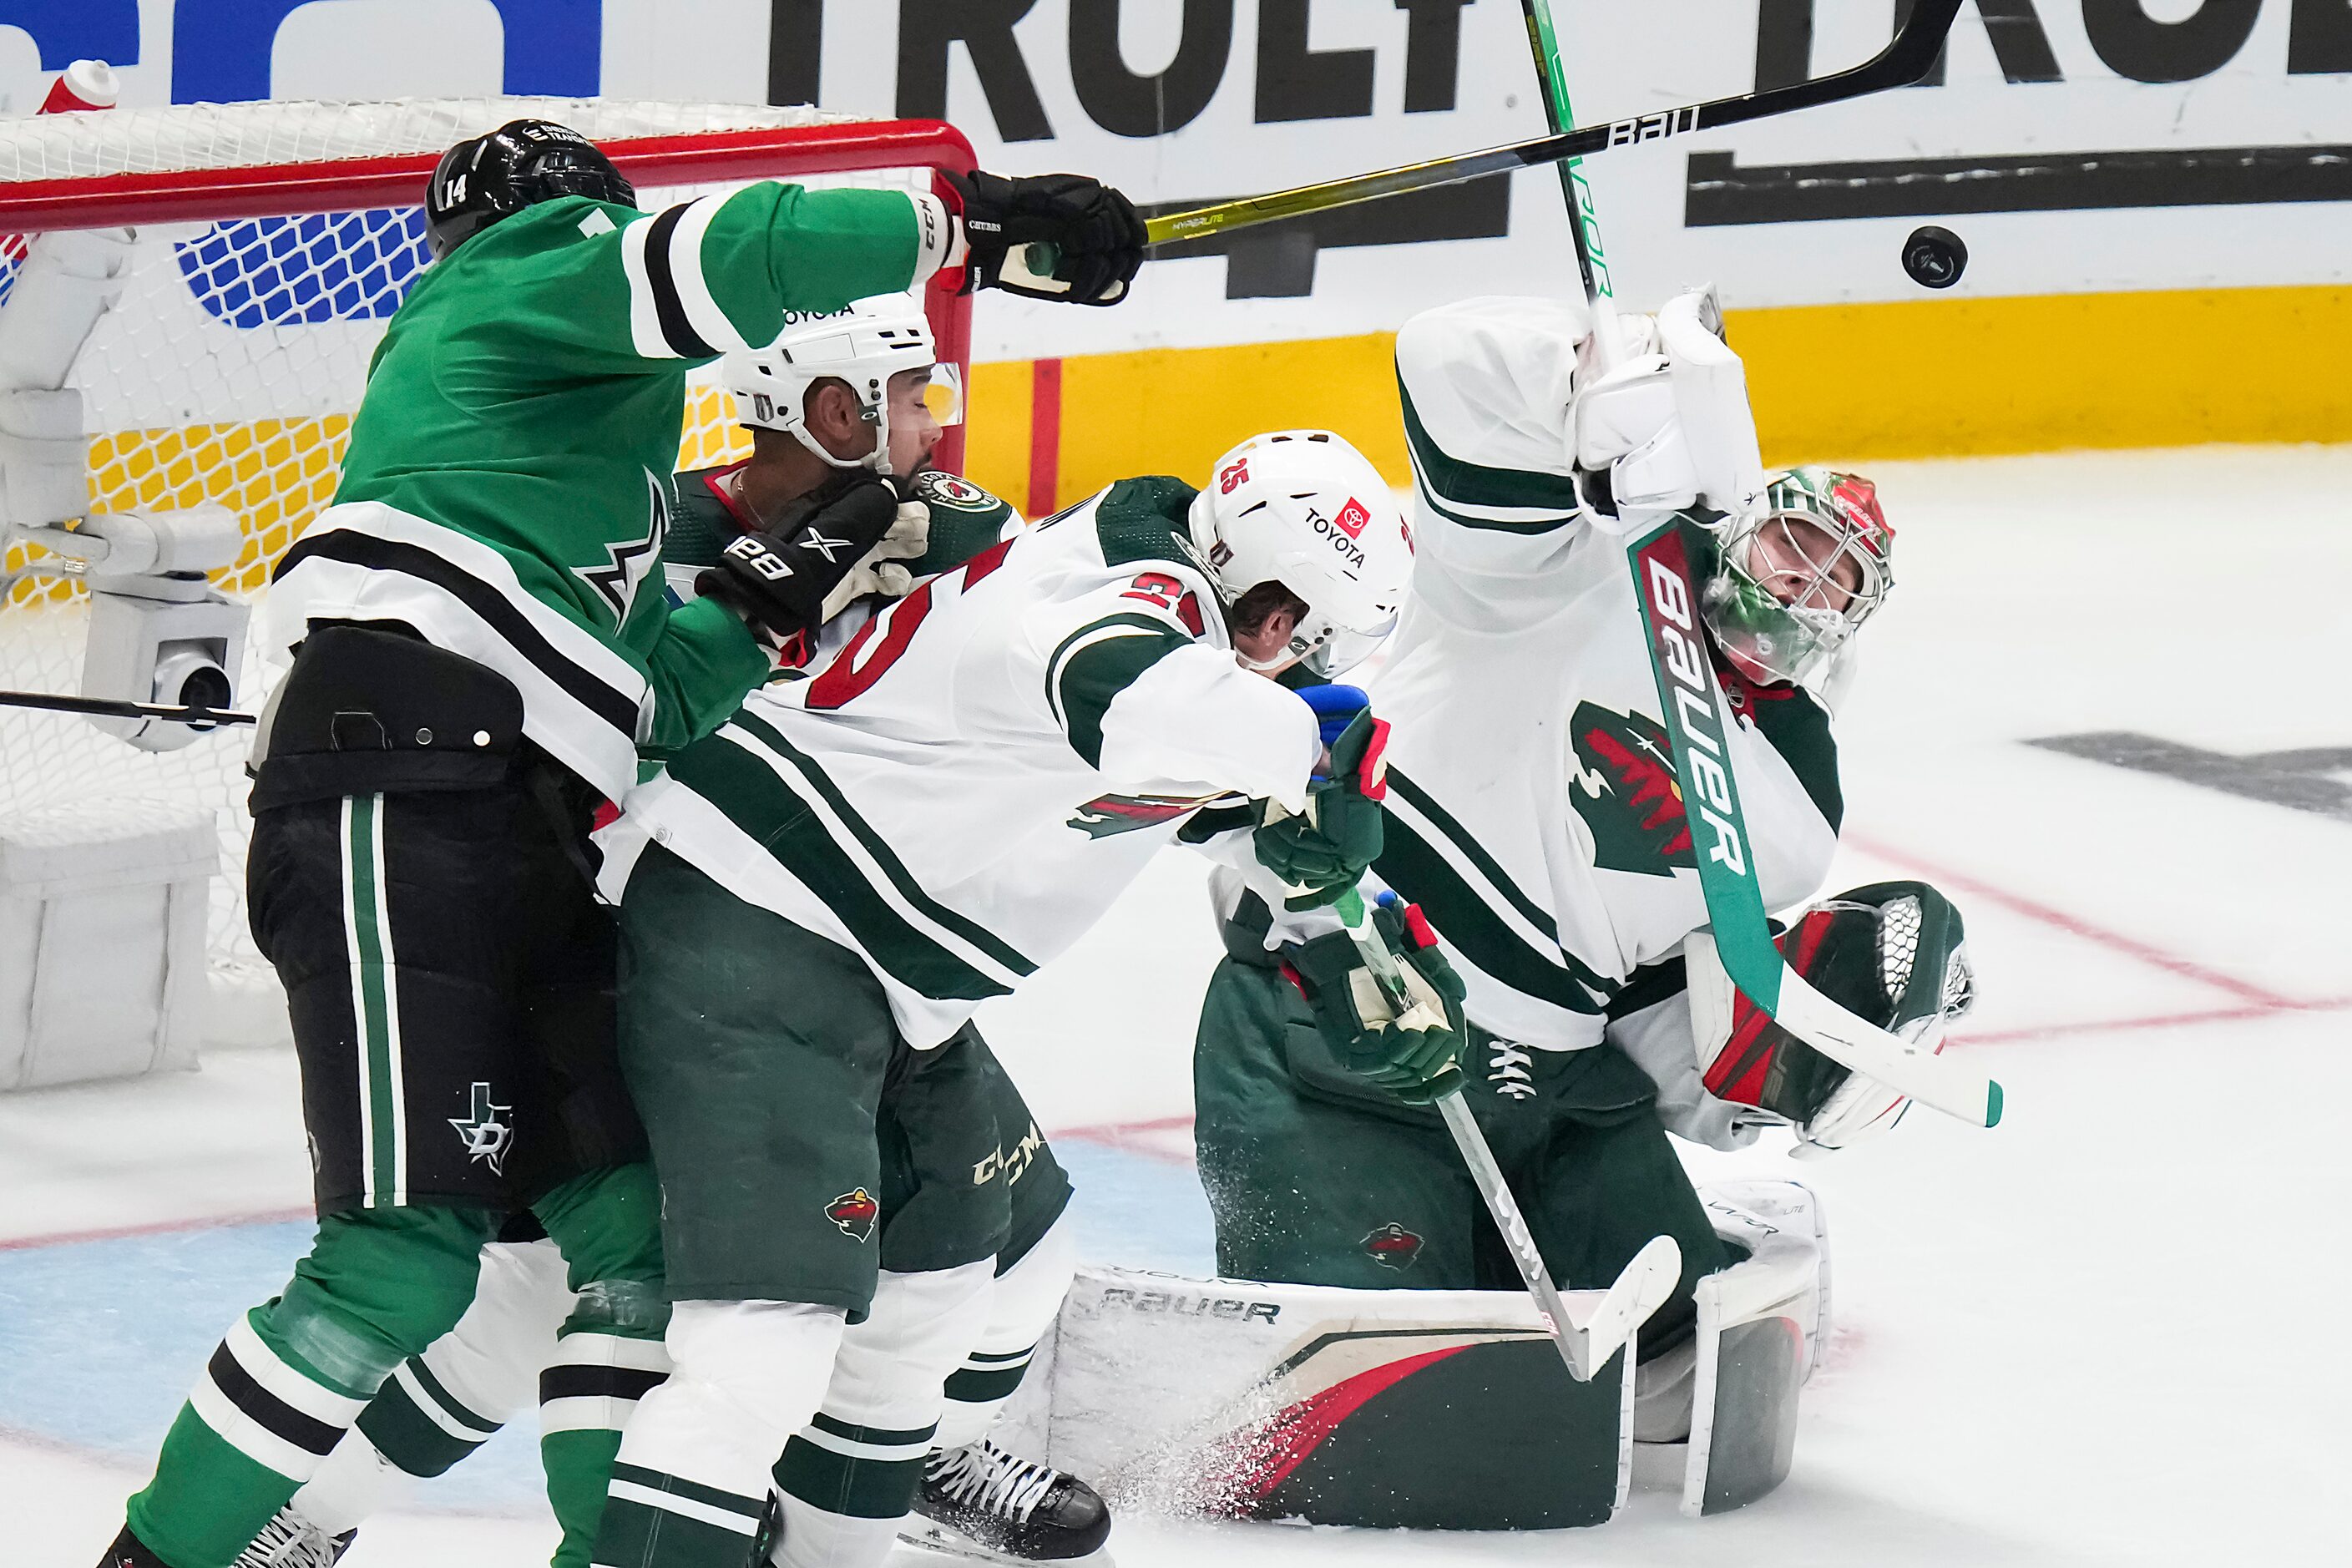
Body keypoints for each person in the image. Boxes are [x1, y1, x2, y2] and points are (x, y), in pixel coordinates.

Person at [99, 118, 1145, 1568]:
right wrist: (968, 221)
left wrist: (769, 604)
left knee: (641, 1244)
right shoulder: (514, 280)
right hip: (407, 796)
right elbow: (727, 248)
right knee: (403, 1263)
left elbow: (645, 704)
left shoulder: (614, 486)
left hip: (532, 843)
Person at [588, 427, 1444, 1567]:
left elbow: (1202, 805)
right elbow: (1121, 687)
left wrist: (1355, 947)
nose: (1298, 672)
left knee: (996, 1264)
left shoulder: (1184, 631)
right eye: (1307, 649)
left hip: (887, 980)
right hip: (758, 922)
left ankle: (892, 1475)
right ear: (1279, 615)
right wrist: (1316, 749)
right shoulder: (1125, 602)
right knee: (760, 1351)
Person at [1191, 294, 1974, 1446]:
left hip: (1556, 1094)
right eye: (1790, 547)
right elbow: (1439, 360)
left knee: (1683, 1368)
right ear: (1744, 527)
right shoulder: (1565, 567)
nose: (1802, 588)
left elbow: (1651, 999)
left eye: (1833, 583)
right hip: (1338, 1025)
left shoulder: (1794, 809)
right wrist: (1605, 373)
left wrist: (1785, 1065)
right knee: (1364, 1400)